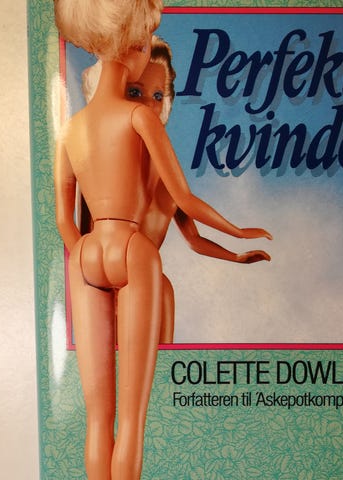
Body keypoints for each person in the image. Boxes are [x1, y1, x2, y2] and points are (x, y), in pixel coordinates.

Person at [53, 1, 271, 477]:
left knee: (98, 418)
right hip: (133, 251)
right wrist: (238, 230)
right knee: (131, 420)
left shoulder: (70, 129)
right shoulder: (139, 119)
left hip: (86, 255)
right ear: (132, 47)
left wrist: (83, 255)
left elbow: (65, 221)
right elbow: (187, 199)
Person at [82, 36, 271, 344]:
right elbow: (79, 234)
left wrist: (236, 256)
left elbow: (194, 239)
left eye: (157, 96)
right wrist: (237, 232)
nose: (148, 104)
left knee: (164, 291)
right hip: (105, 283)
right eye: (135, 92)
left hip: (147, 279)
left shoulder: (166, 174)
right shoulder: (99, 162)